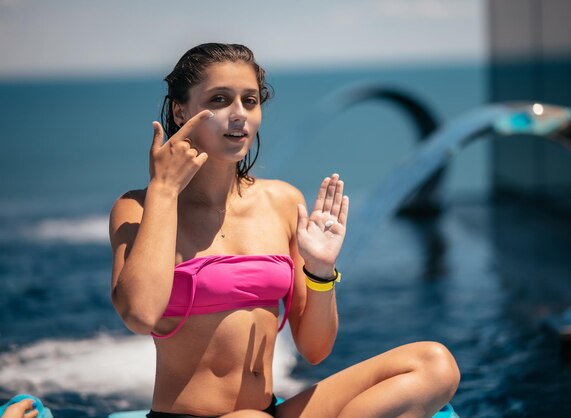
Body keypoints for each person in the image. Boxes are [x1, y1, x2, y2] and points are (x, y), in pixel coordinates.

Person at [109, 43, 460, 418]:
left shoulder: (281, 201)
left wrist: (321, 271)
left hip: (269, 412)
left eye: (250, 100)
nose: (239, 114)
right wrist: (163, 189)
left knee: (434, 364)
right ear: (181, 110)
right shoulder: (140, 208)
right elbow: (139, 315)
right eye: (220, 99)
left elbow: (314, 350)